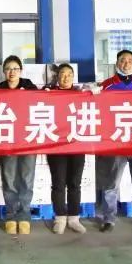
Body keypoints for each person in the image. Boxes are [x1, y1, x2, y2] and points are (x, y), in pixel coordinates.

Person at [96, 49, 132, 233]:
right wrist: (89, 92)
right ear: (117, 63)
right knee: (111, 184)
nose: (126, 63)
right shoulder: (106, 86)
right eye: (123, 60)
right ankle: (108, 219)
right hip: (115, 142)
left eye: (130, 60)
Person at [0, 55, 39, 235]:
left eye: (15, 69)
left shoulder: (30, 87)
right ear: (3, 72)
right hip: (7, 141)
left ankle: (25, 216)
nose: (12, 72)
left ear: (21, 71)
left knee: (27, 179)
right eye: (8, 69)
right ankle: (11, 215)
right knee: (9, 179)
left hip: (28, 140)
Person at [45, 63, 87, 234]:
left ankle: (74, 218)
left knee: (75, 183)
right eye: (63, 73)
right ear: (57, 76)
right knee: (58, 182)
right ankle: (60, 218)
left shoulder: (81, 94)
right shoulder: (49, 93)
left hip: (76, 144)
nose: (66, 77)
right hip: (56, 146)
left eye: (69, 74)